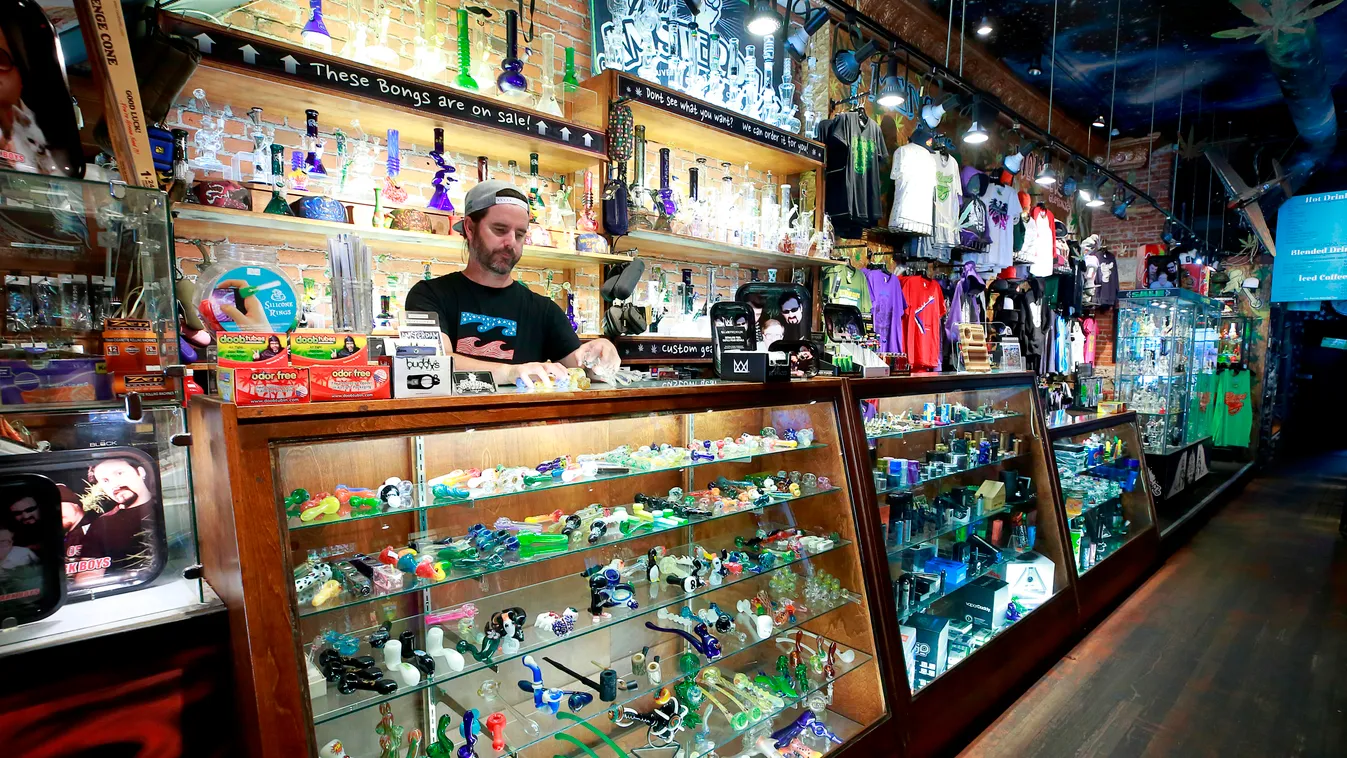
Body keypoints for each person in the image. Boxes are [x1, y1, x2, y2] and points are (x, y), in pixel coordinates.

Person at [405, 180, 619, 386]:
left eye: (519, 234)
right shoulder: (428, 296)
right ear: (469, 228)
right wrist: (510, 372)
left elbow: (581, 366)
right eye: (499, 230)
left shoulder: (543, 311)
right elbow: (431, 362)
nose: (510, 243)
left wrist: (600, 354)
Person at [81, 456, 157, 576]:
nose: (114, 484)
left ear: (140, 472)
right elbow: (87, 576)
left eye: (119, 473)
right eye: (105, 480)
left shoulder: (164, 506)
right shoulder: (102, 524)